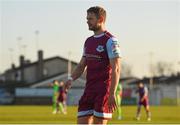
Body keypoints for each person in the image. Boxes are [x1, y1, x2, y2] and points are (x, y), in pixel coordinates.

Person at [65, 6, 122, 124]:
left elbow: (116, 68)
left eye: (90, 18)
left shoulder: (111, 40)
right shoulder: (88, 41)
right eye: (87, 18)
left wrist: (112, 93)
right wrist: (71, 79)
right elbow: (81, 65)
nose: (87, 21)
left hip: (103, 91)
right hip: (89, 90)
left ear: (100, 19)